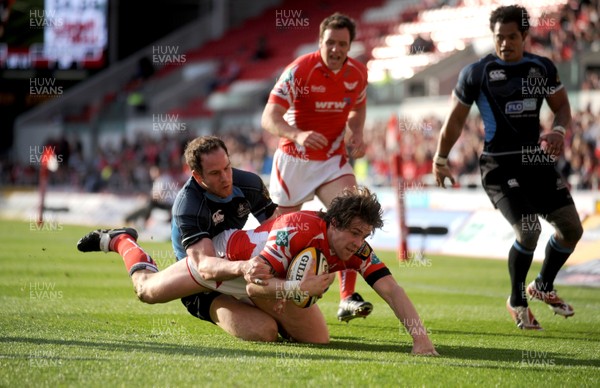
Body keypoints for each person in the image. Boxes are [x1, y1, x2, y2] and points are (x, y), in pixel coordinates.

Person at [78, 186, 438, 355]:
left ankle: (234, 308)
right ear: (335, 223)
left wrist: (420, 338)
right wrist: (297, 291)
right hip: (224, 264)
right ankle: (122, 241)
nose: (360, 244)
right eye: (356, 234)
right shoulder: (296, 228)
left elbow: (392, 290)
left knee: (310, 340)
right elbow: (254, 286)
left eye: (366, 236)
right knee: (146, 291)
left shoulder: (356, 249)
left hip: (267, 281)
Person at [433, 5, 583, 330]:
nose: (504, 44)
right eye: (499, 37)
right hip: (499, 167)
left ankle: (543, 286)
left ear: (525, 36)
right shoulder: (477, 73)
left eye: (512, 37)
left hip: (535, 161)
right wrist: (440, 159)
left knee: (572, 229)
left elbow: (562, 108)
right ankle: (517, 299)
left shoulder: (541, 68)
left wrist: (558, 130)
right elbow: (455, 121)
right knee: (529, 230)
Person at [261, 12, 372, 322]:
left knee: (354, 215)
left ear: (350, 45)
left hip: (332, 161)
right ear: (320, 42)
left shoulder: (358, 73)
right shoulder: (299, 70)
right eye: (330, 43)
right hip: (294, 160)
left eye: (342, 44)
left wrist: (358, 133)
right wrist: (298, 134)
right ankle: (274, 293)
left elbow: (359, 108)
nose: (336, 50)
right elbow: (268, 118)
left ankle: (347, 297)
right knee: (281, 233)